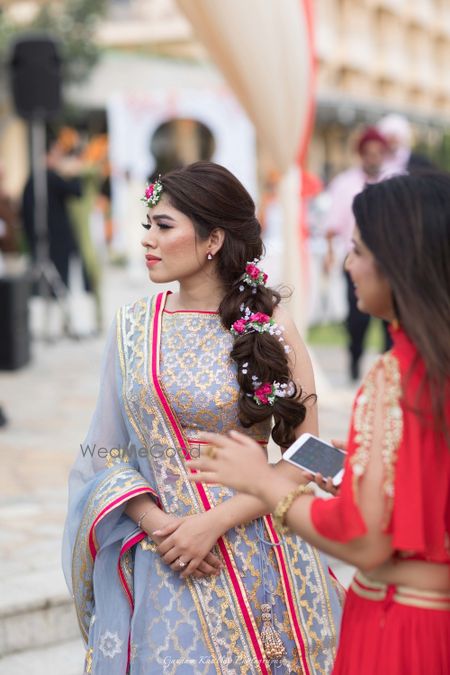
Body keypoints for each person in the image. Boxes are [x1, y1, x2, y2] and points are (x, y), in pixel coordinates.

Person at [62, 162, 343, 674]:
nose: (147, 238)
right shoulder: (132, 325)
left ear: (213, 238)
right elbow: (103, 452)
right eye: (148, 224)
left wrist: (211, 524)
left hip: (260, 555)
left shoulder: (269, 324)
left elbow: (313, 453)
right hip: (165, 562)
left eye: (163, 226)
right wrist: (164, 526)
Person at [190, 171, 450, 675]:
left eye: (358, 251)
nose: (348, 265)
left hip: (405, 626)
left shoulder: (399, 376)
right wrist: (361, 471)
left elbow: (365, 540)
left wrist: (264, 482)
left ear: (398, 262)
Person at [323, 127, 392, 380]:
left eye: (377, 153)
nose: (373, 158)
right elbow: (332, 225)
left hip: (389, 262)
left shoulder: (395, 179)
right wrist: (330, 255)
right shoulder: (345, 184)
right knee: (357, 317)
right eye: (368, 153)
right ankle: (355, 362)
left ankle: (389, 367)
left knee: (390, 319)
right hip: (357, 259)